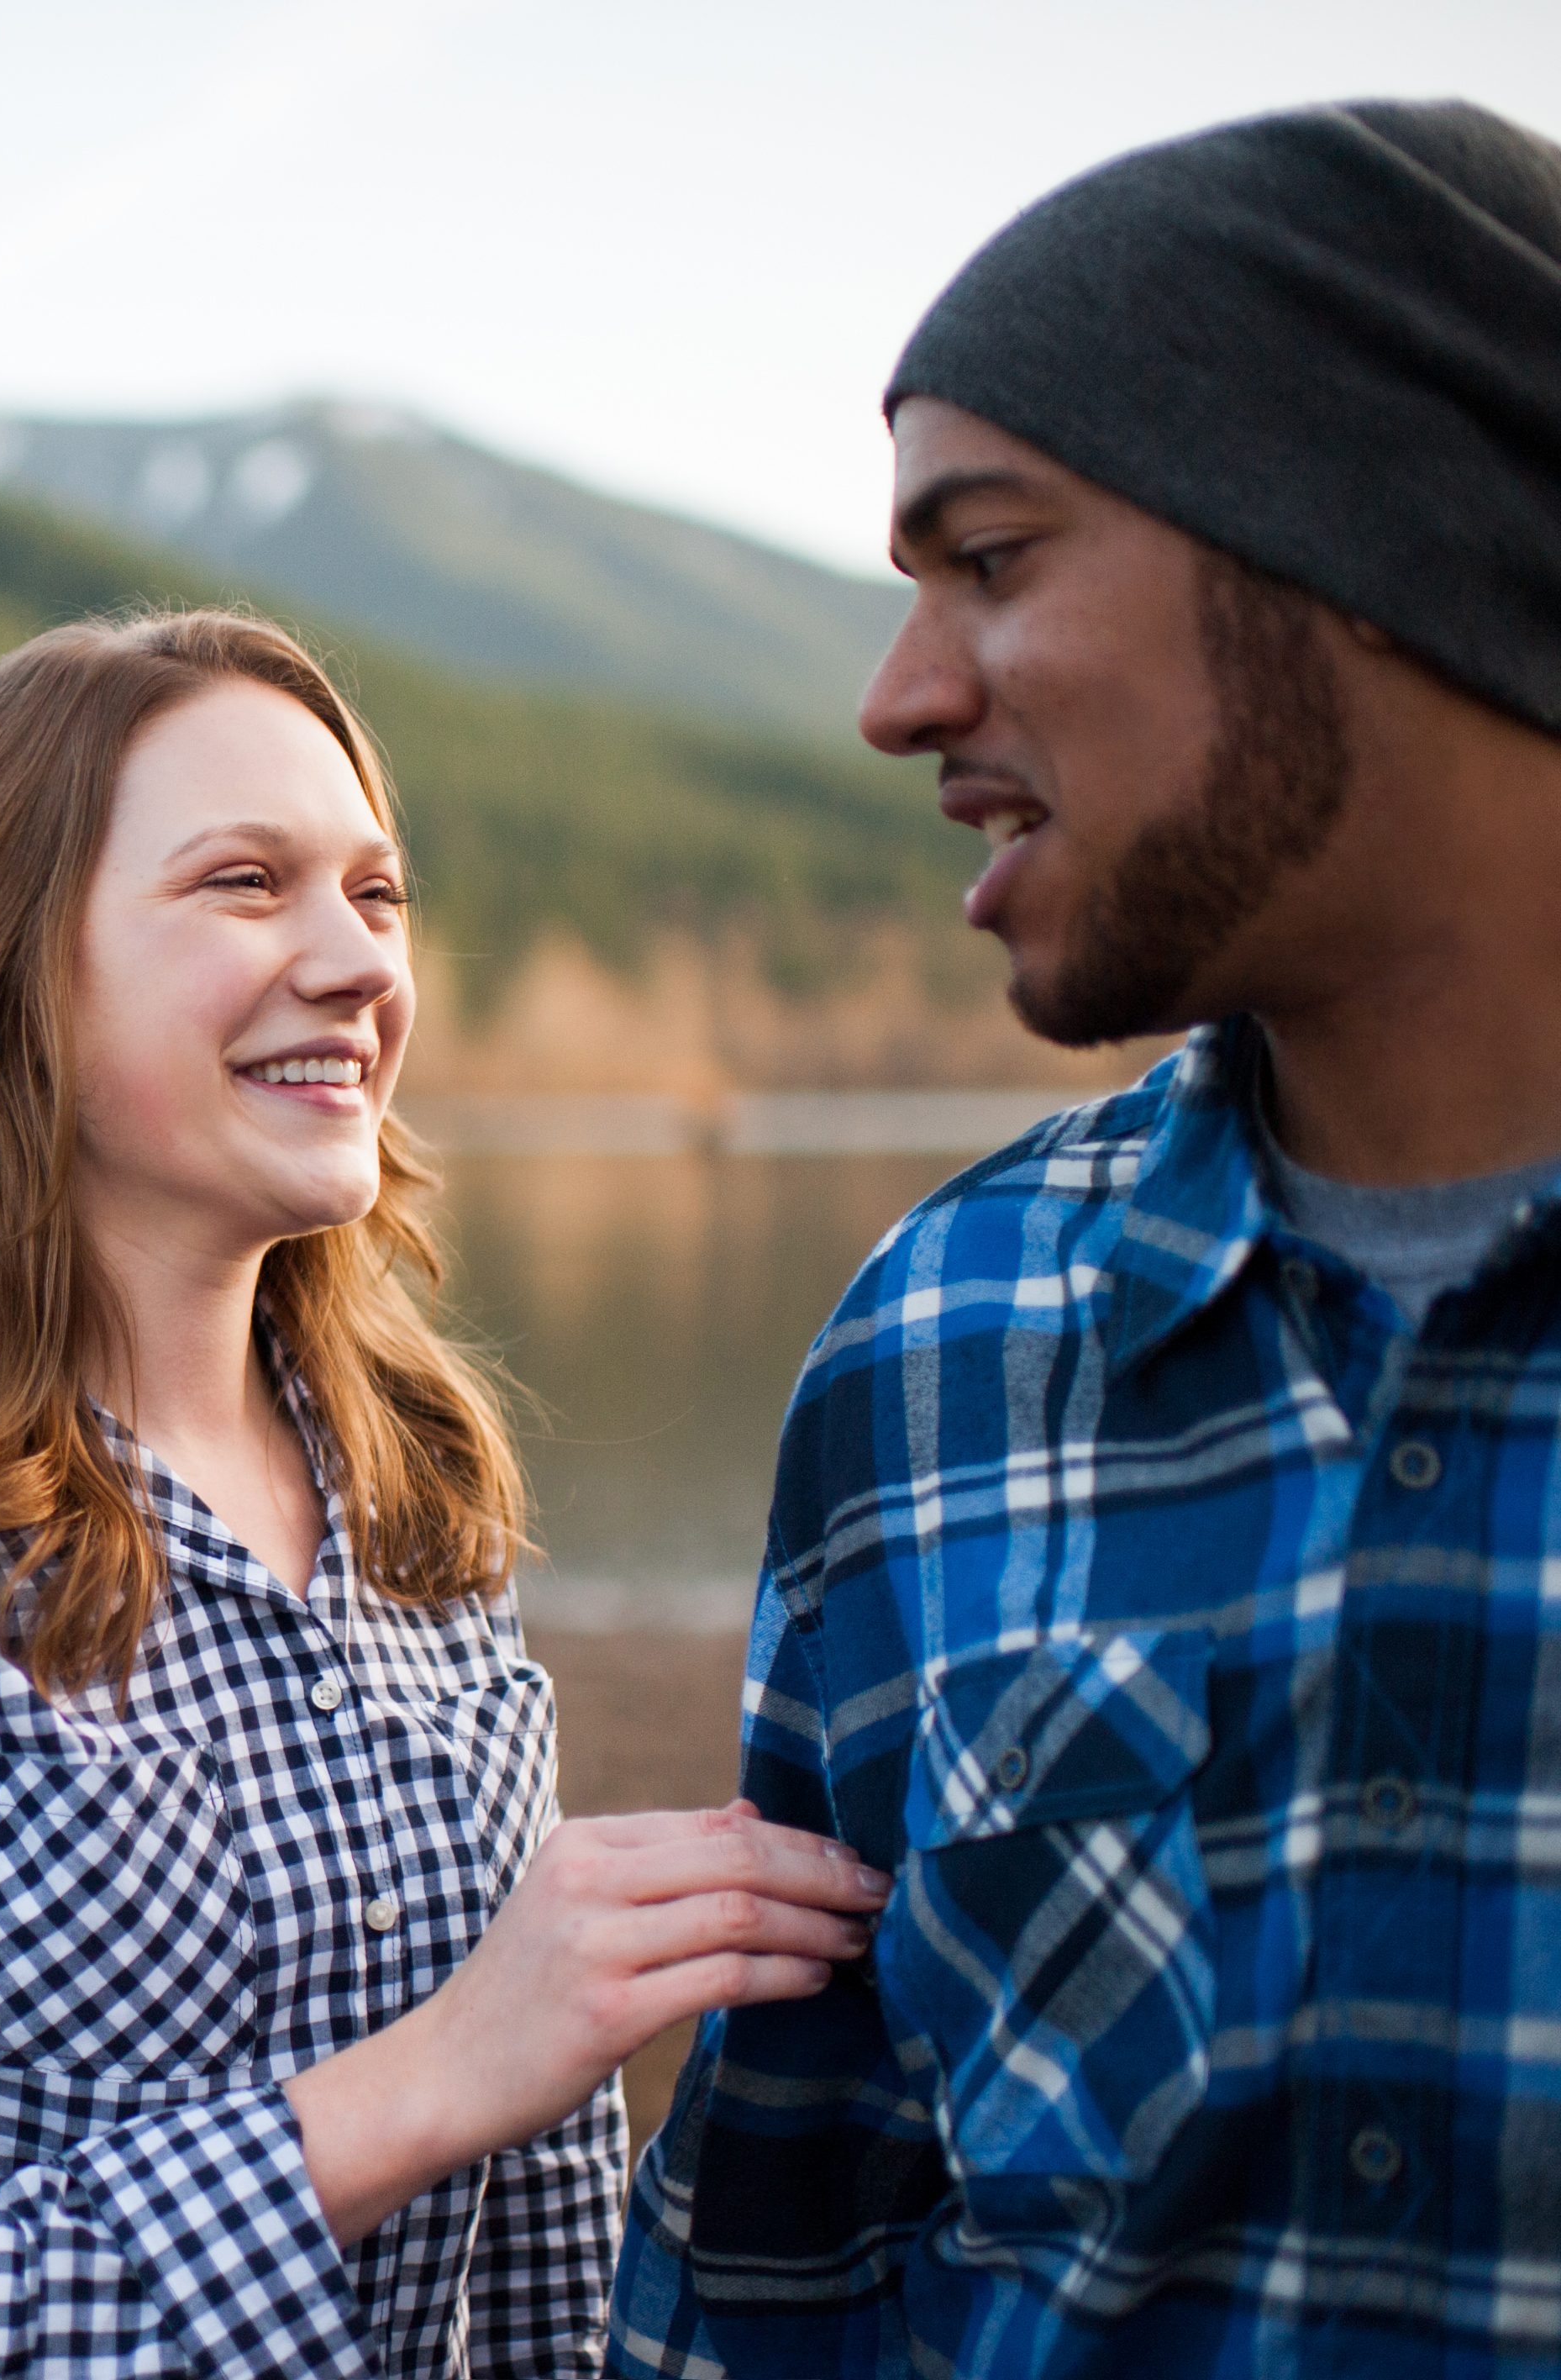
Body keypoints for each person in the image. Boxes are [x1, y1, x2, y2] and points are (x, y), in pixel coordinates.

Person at [0, 609, 891, 2378]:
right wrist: (414, 2085)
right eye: (248, 884)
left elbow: (538, 2202)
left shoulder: (409, 1474)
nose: (357, 965)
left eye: (378, 894)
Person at [611, 101, 1561, 2378]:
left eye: (995, 558)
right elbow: (780, 2265)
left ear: (1372, 541)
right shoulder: (932, 1352)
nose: (898, 695)